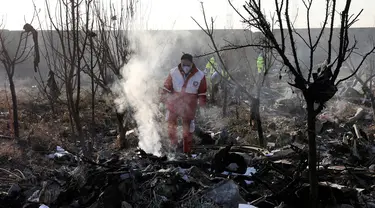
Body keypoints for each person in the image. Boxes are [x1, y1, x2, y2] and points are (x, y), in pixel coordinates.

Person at [160, 53, 207, 153]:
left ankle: (187, 152)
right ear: (180, 63)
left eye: (187, 64)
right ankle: (174, 147)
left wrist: (202, 107)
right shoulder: (173, 72)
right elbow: (166, 88)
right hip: (174, 103)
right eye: (183, 64)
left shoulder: (200, 75)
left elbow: (202, 93)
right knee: (171, 125)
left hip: (189, 106)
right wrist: (162, 101)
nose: (185, 66)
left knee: (188, 129)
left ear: (192, 63)